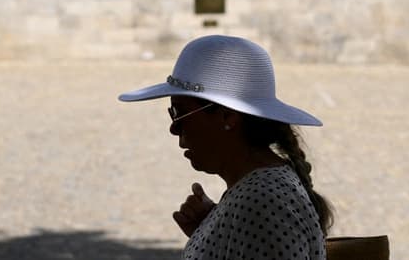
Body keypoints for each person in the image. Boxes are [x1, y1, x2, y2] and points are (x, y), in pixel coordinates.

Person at [119, 35, 333, 260]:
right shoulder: (256, 197)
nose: (173, 128)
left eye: (180, 113)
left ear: (227, 117)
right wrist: (211, 231)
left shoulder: (262, 204)